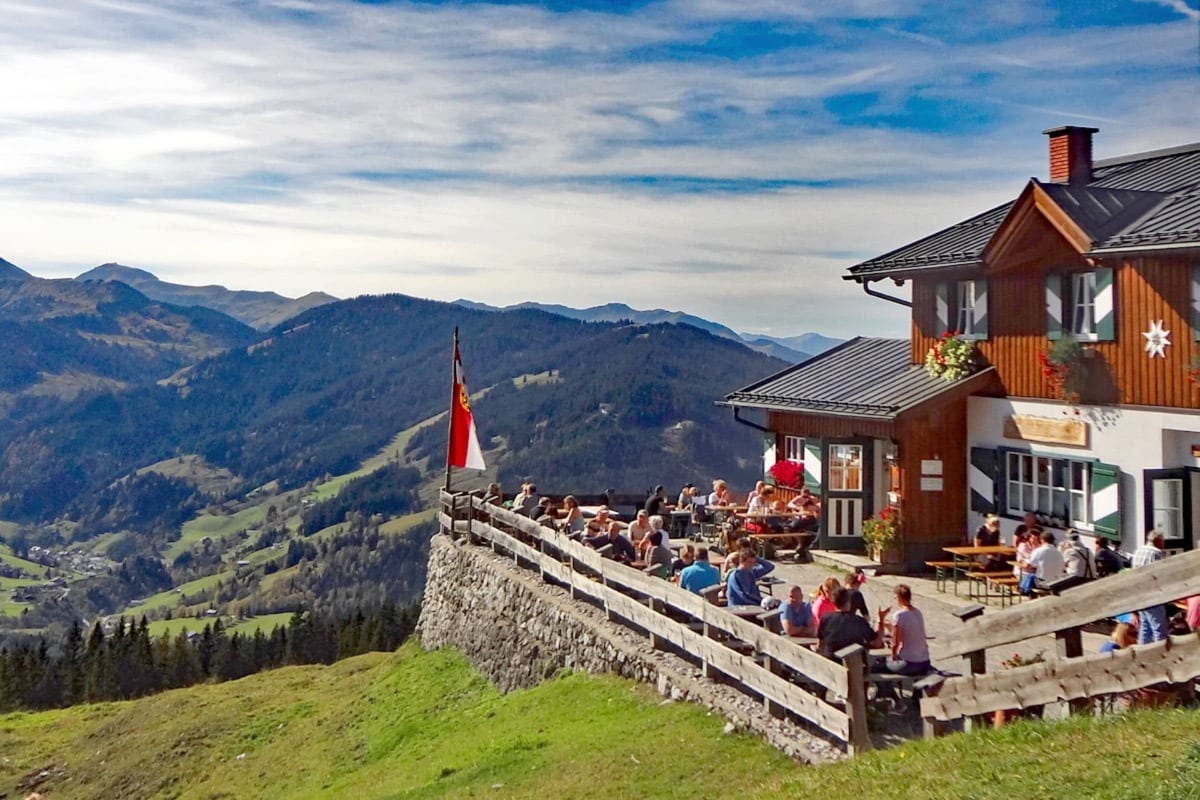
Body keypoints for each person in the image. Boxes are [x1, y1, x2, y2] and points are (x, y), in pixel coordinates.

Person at [817, 586, 885, 661]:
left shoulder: (825, 618)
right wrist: (881, 620)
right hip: (852, 664)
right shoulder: (858, 621)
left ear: (833, 602)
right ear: (849, 602)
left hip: (830, 662)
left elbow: (820, 644)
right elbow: (876, 643)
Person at [881, 584, 931, 675]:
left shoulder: (899, 615)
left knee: (879, 667)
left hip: (910, 663)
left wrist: (893, 656)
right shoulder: (918, 612)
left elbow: (895, 642)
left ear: (898, 597)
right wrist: (892, 627)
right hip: (925, 662)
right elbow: (910, 632)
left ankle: (886, 685)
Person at [1132, 530, 1168, 644]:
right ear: (1158, 541)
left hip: (1139, 593)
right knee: (1159, 629)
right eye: (1163, 541)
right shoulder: (1157, 553)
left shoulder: (1138, 551)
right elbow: (1161, 575)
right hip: (1152, 595)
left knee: (1145, 627)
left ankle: (1142, 651)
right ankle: (1160, 651)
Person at [1021, 530, 1064, 596]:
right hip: (1056, 580)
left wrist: (1025, 561)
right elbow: (1063, 567)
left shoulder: (1039, 551)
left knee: (1028, 577)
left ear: (1042, 540)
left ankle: (1027, 593)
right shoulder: (1058, 552)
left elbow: (1028, 565)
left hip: (1042, 580)